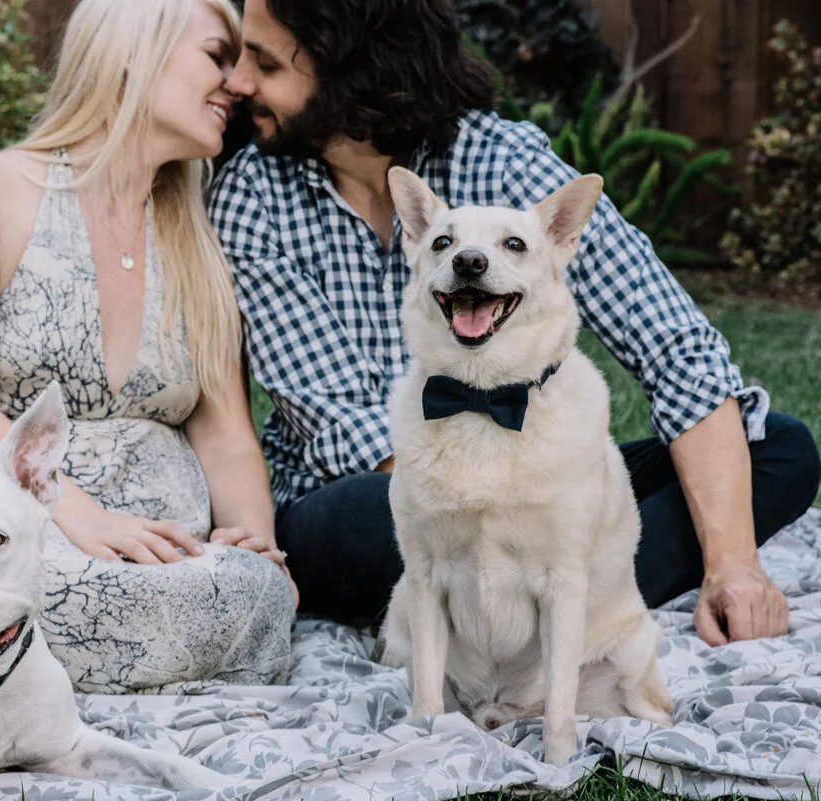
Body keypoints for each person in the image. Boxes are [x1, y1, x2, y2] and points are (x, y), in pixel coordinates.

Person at [208, 0, 821, 645]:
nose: (239, 81)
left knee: (777, 447)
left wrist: (733, 565)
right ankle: (568, 601)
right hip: (375, 496)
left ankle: (546, 604)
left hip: (531, 478)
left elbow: (677, 350)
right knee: (364, 518)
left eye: (265, 62)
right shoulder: (254, 198)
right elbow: (340, 421)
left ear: (352, 69)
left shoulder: (504, 162)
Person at [0, 0, 295, 694]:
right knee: (23, 589)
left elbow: (228, 436)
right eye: (217, 55)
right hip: (13, 528)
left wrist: (255, 543)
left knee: (257, 592)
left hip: (160, 557)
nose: (238, 83)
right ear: (132, 50)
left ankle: (51, 673)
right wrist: (80, 516)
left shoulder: (195, 239)